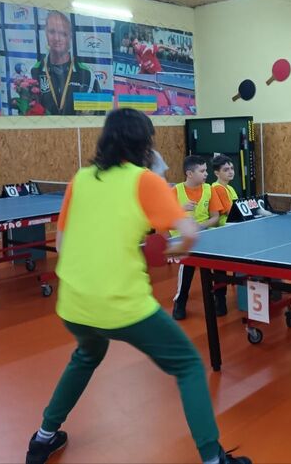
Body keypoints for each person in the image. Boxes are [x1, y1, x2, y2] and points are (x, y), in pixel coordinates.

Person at [25, 108, 251, 464]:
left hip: (74, 304)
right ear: (144, 142)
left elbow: (62, 245)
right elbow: (189, 234)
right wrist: (166, 252)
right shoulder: (145, 181)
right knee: (188, 365)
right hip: (123, 305)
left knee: (86, 354)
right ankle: (213, 458)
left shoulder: (80, 179)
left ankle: (43, 438)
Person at [172, 155, 224, 320]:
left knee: (220, 261)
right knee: (187, 264)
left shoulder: (209, 189)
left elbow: (215, 217)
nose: (206, 174)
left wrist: (200, 226)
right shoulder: (175, 191)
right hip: (183, 238)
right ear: (189, 173)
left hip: (205, 234)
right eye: (202, 171)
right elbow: (165, 219)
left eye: (206, 170)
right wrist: (181, 209)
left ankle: (220, 299)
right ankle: (180, 301)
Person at [30, 11, 99, 115]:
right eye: (52, 32)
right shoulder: (34, 72)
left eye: (63, 33)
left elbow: (98, 114)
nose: (57, 38)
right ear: (46, 33)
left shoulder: (86, 74)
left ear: (70, 36)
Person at [209, 154, 238, 316]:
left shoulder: (230, 188)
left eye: (231, 168)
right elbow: (230, 211)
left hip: (234, 230)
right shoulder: (217, 188)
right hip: (223, 233)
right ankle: (220, 300)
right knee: (219, 268)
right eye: (226, 169)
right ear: (216, 173)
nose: (230, 172)